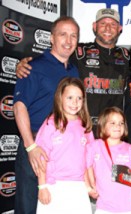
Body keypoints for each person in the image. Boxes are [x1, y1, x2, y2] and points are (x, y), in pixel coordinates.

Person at [16, 8, 129, 133]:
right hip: (83, 131)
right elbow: (52, 56)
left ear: (120, 28)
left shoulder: (128, 57)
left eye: (113, 24)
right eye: (103, 23)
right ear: (94, 26)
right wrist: (23, 64)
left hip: (113, 132)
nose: (107, 28)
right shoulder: (78, 52)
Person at [13, 16, 80, 214]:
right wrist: (30, 146)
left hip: (62, 151)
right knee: (28, 206)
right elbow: (19, 106)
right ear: (51, 38)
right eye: (63, 35)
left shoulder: (74, 71)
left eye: (73, 36)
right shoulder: (34, 66)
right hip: (36, 146)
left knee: (54, 207)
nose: (68, 41)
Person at [35, 77, 93, 214]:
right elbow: (41, 158)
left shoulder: (85, 127)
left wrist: (89, 185)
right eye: (70, 97)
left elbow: (87, 161)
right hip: (54, 186)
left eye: (79, 98)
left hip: (78, 187)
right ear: (60, 98)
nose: (75, 102)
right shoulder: (51, 124)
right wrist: (42, 186)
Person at [86, 106, 131, 213]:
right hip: (104, 208)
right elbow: (86, 167)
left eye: (121, 123)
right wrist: (90, 186)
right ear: (103, 125)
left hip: (130, 208)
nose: (118, 126)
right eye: (112, 123)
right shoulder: (94, 146)